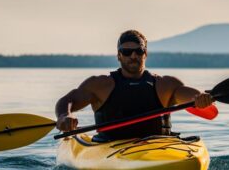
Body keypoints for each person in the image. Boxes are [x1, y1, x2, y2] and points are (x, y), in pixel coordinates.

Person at [55, 30, 213, 141]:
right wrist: (64, 116)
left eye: (138, 51)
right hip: (110, 149)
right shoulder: (100, 85)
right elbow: (68, 99)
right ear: (118, 55)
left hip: (160, 148)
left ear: (146, 54)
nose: (133, 56)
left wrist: (201, 98)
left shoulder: (164, 85)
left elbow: (189, 94)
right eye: (126, 52)